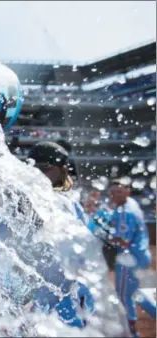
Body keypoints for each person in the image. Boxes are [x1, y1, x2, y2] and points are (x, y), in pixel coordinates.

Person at [25, 141, 94, 328]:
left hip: (62, 295)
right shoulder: (60, 202)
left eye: (44, 169)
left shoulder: (64, 204)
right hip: (58, 295)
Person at [107, 180, 153, 337]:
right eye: (113, 192)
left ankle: (131, 333)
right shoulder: (132, 203)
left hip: (129, 258)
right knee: (133, 292)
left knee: (123, 295)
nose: (115, 195)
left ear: (128, 191)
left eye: (119, 191)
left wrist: (103, 235)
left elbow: (123, 241)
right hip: (139, 255)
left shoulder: (124, 212)